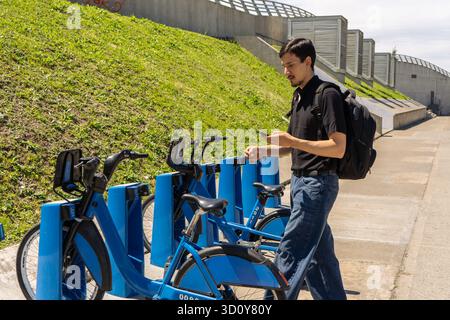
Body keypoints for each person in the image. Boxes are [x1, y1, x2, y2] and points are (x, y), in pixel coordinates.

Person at [245, 38, 347, 300]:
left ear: (308, 62)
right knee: (319, 260)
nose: (285, 71)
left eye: (290, 65)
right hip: (301, 184)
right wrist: (264, 150)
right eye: (283, 65)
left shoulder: (328, 94)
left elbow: (338, 147)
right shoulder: (299, 95)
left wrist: (293, 141)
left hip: (318, 185)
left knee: (289, 252)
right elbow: (294, 146)